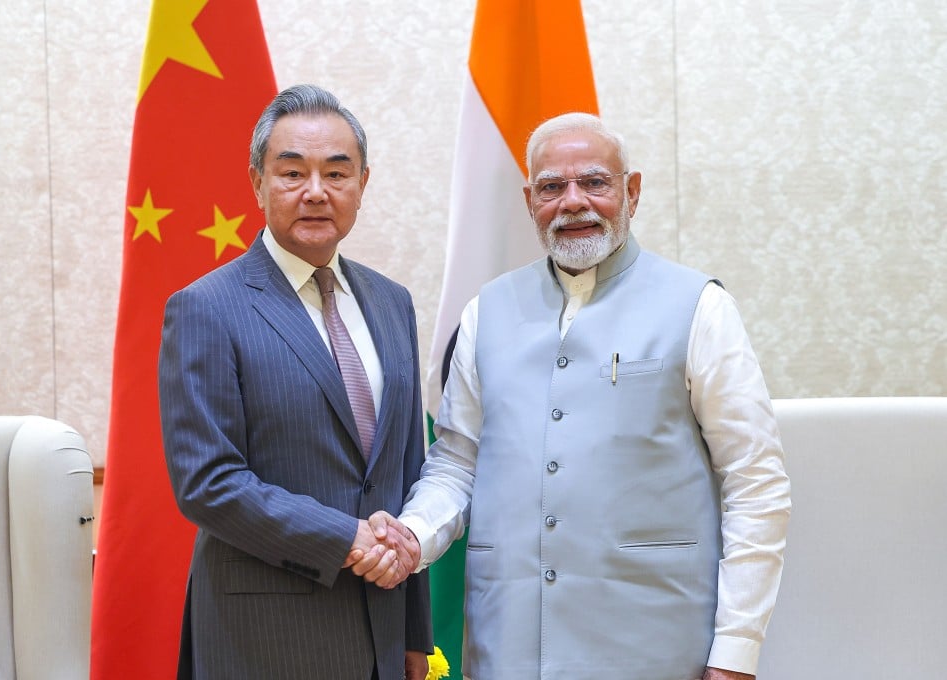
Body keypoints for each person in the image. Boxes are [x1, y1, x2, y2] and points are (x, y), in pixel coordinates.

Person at [359, 112, 791, 679]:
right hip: (507, 645)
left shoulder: (700, 307)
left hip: (654, 648)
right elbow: (457, 465)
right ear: (529, 200)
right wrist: (412, 535)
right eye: (551, 187)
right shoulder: (486, 312)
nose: (573, 202)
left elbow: (755, 481)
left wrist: (736, 651)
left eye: (594, 182)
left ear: (632, 192)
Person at [158, 84, 432, 680]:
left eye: (337, 172)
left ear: (363, 183)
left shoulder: (392, 303)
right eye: (292, 172)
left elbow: (406, 469)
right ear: (257, 182)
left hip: (383, 635)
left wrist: (415, 632)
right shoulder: (206, 307)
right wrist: (346, 538)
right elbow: (208, 483)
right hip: (264, 640)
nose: (315, 192)